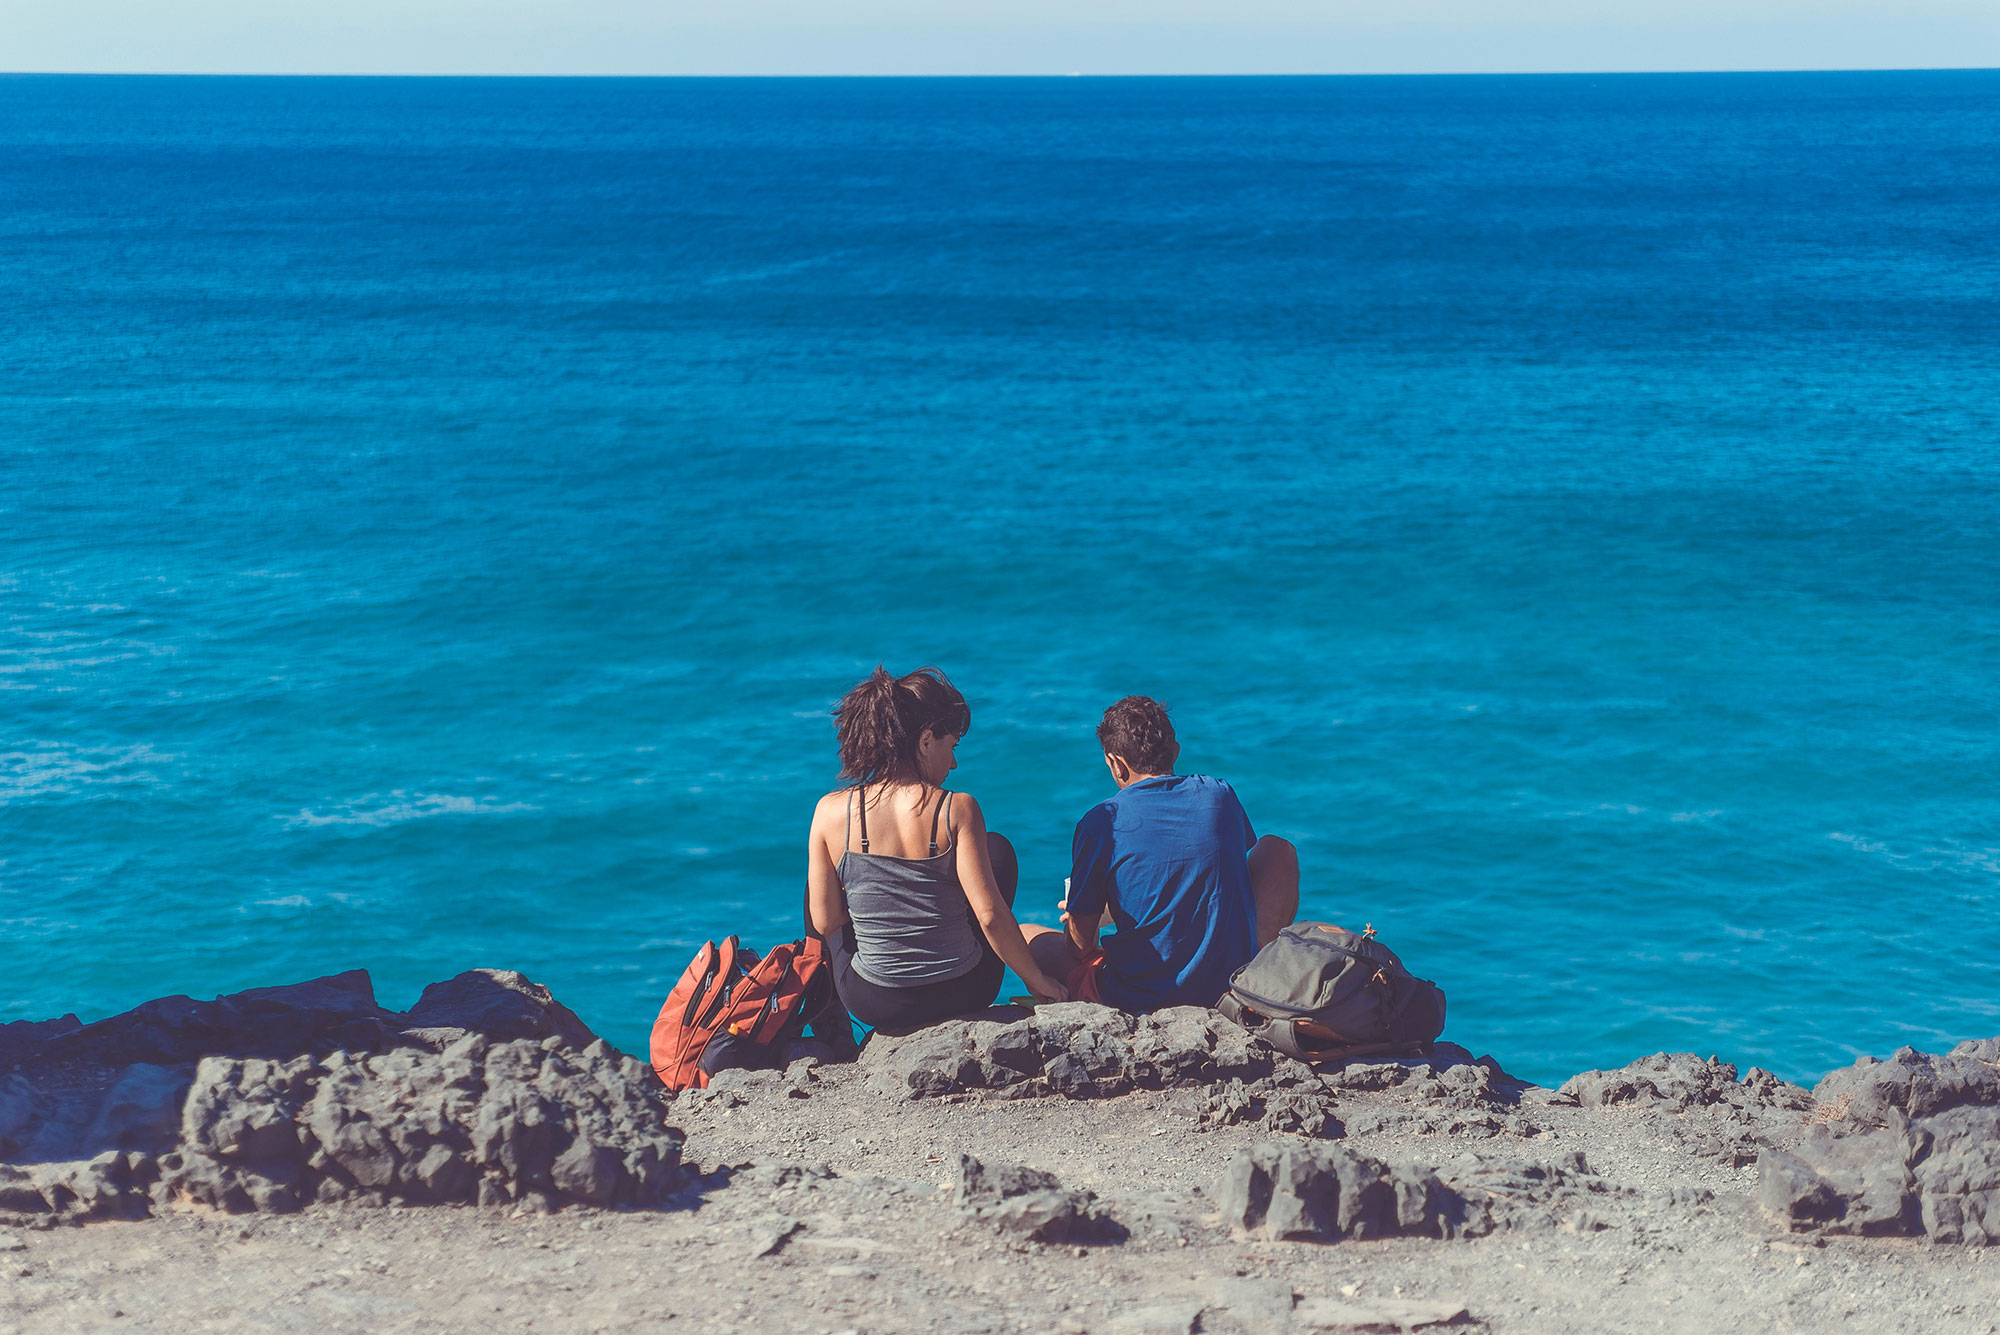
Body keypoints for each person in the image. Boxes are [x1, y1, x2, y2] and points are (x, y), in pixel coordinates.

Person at [806, 666, 1068, 1034]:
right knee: (998, 852)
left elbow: (826, 923)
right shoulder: (957, 808)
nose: (955, 762)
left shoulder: (829, 812)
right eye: (952, 746)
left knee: (821, 882)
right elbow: (990, 916)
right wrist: (1037, 980)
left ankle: (830, 1030)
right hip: (961, 992)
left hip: (876, 1001)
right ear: (927, 740)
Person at [1024, 695, 1299, 1012]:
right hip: (1231, 983)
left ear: (1116, 764)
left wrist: (1090, 915)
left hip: (1140, 995)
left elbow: (1080, 946)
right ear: (1175, 751)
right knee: (1277, 848)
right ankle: (1260, 960)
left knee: (1026, 934)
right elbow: (1213, 870)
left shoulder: (1101, 822)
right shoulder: (1219, 794)